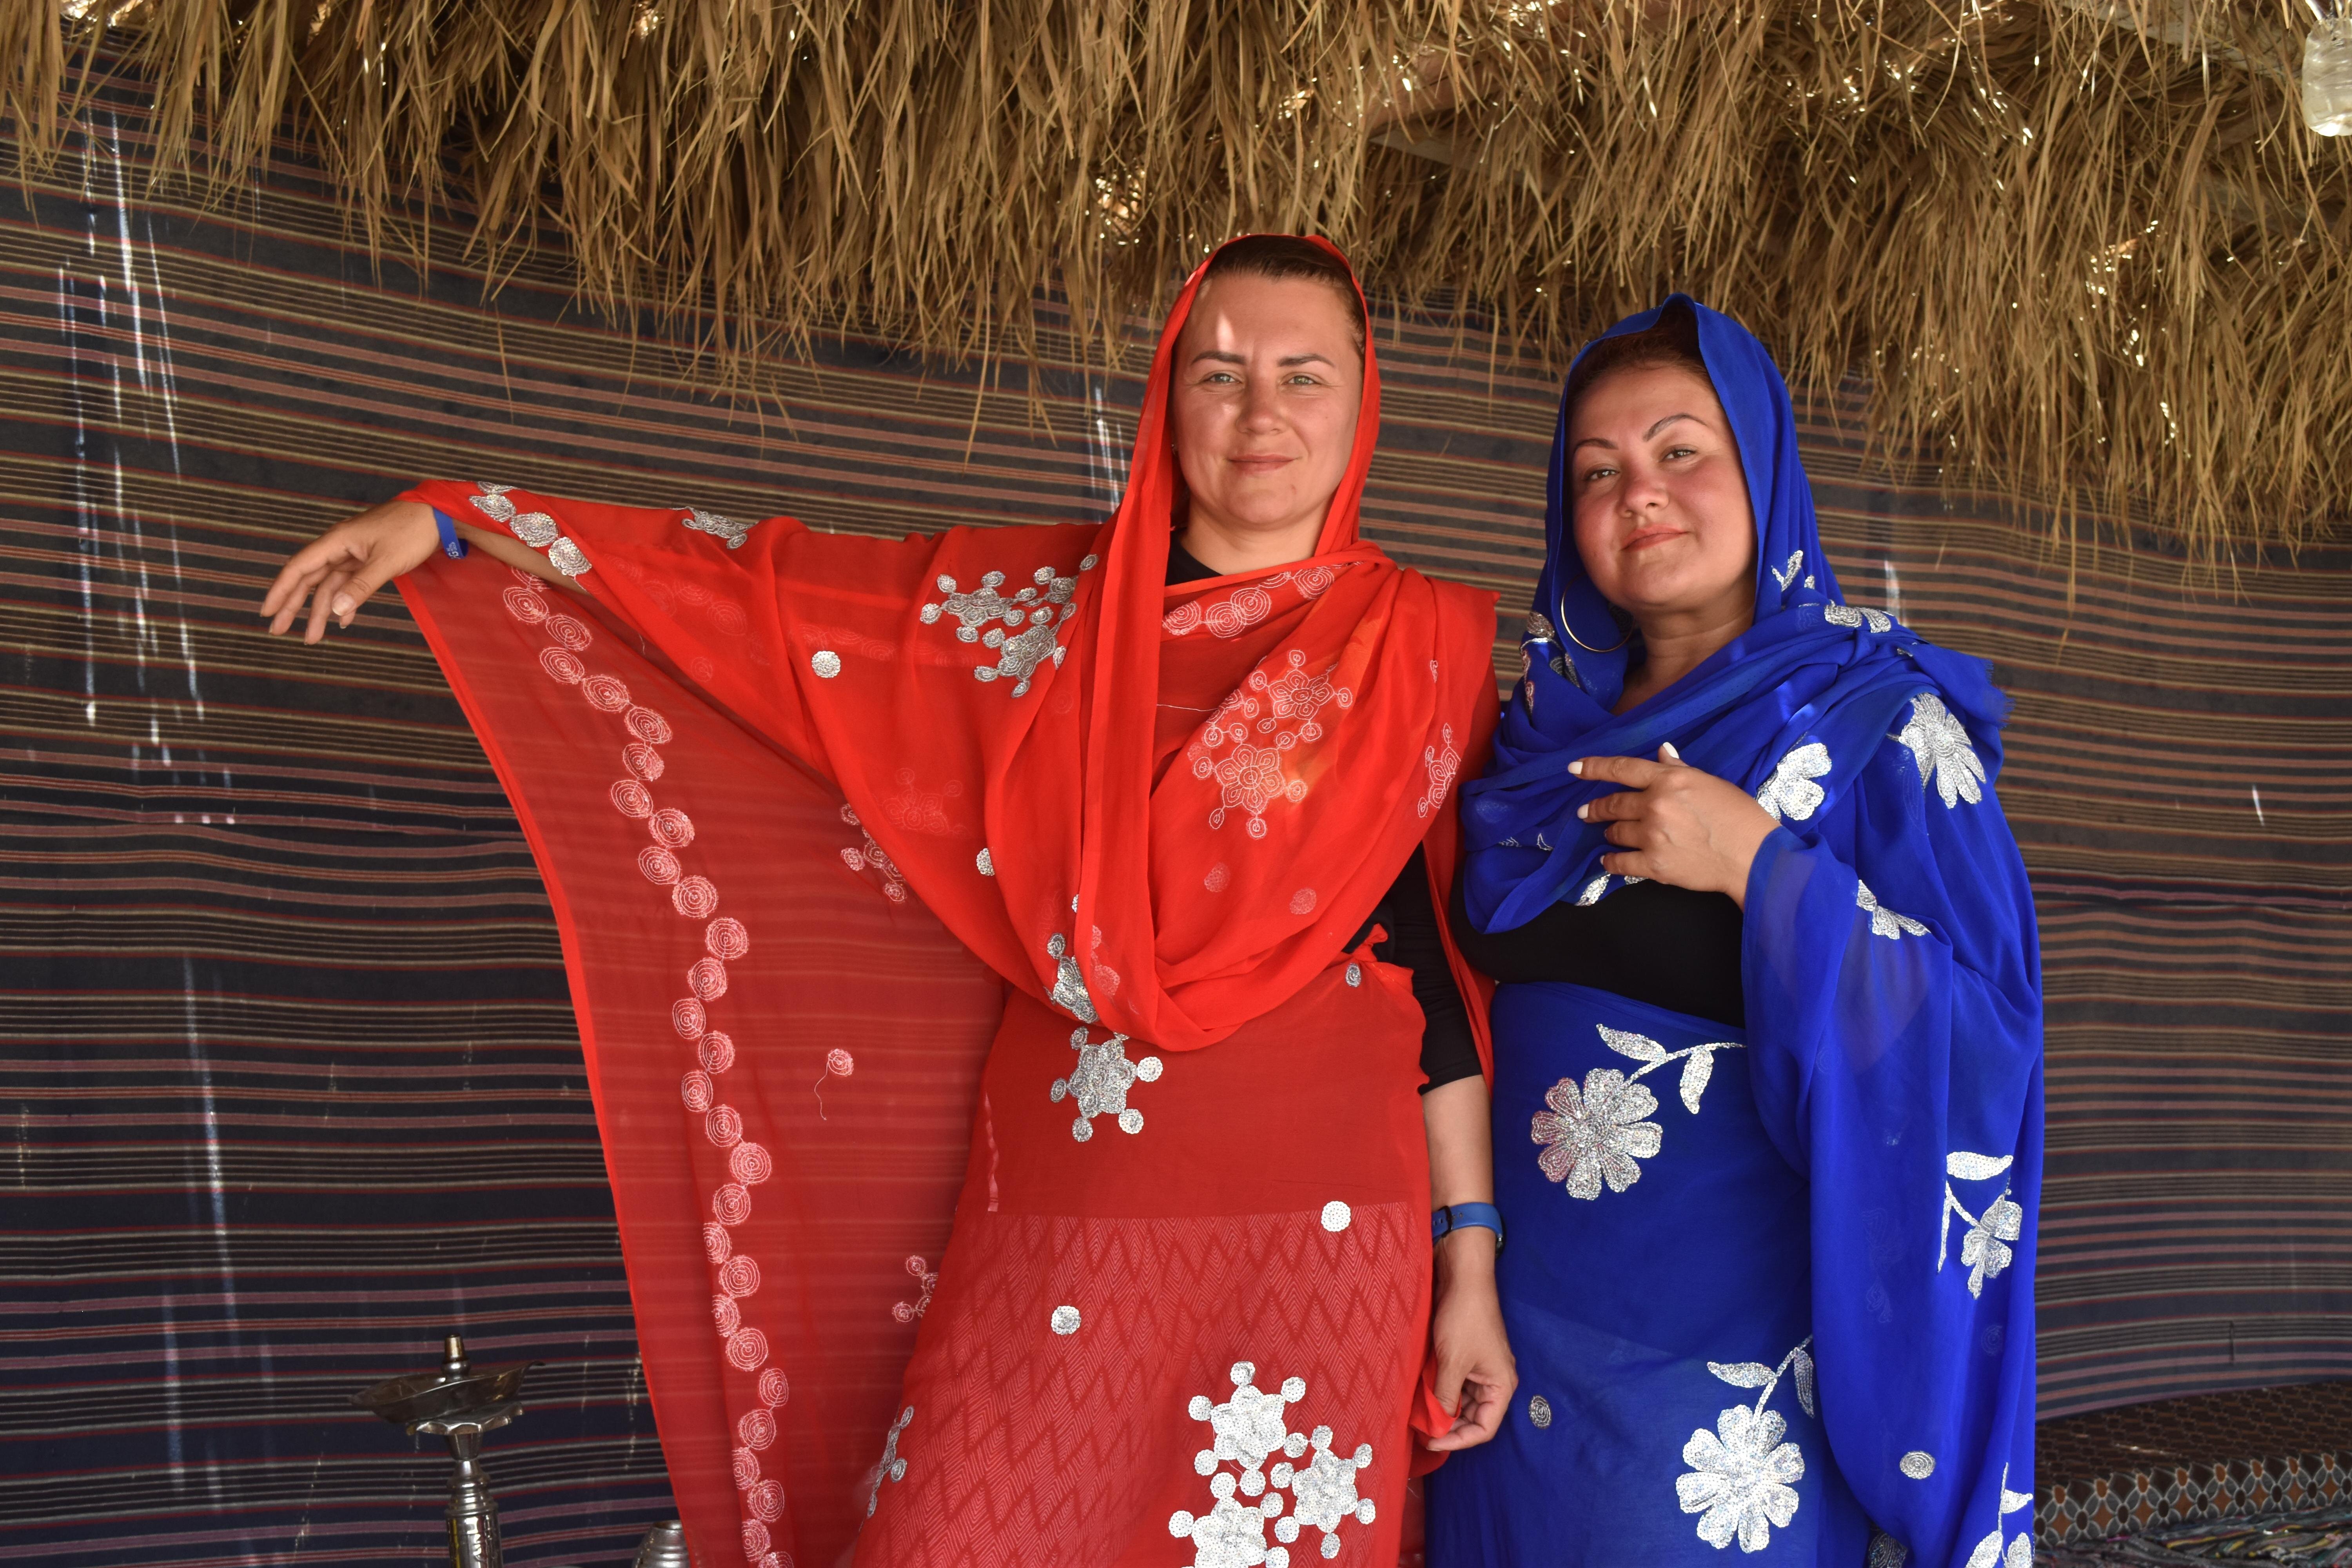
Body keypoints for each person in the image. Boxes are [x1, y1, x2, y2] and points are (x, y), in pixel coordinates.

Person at [260, 235, 1517, 1567]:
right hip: (1076, 1185)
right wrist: (462, 524)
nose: (1262, 413)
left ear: (1362, 401)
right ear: (1168, 398)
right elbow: (757, 598)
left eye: (1303, 375)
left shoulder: (1419, 648)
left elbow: (1435, 990)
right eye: (1220, 373)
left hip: (1325, 1215)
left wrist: (1472, 1264)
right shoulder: (1034, 622)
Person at [1424, 299, 2041, 1567]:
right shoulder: (1531, 746)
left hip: (1724, 1389)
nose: (1638, 494)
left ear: (1764, 469)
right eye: (1597, 473)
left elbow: (1984, 1040)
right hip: (1505, 1349)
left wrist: (1760, 866)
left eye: (1678, 451)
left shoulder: (1880, 729)